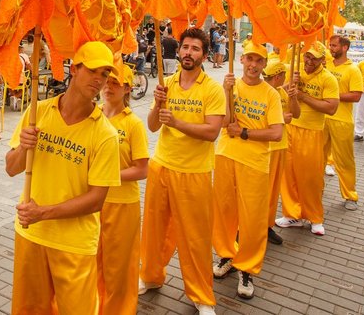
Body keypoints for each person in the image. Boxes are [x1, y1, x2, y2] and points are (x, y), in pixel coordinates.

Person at [5, 41, 121, 314]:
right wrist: (24, 146)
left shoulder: (105, 134)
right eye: (92, 70)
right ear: (73, 69)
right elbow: (11, 168)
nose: (99, 79)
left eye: (105, 74)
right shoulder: (38, 112)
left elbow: (96, 200)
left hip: (75, 244)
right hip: (30, 235)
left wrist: (42, 213)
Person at [139, 27, 225, 315]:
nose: (188, 52)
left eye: (195, 49)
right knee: (153, 231)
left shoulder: (212, 89)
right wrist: (158, 104)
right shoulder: (169, 83)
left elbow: (212, 132)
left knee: (195, 238)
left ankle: (201, 295)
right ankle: (150, 276)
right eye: (185, 47)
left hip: (194, 173)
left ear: (204, 54)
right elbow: (153, 125)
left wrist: (175, 122)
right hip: (161, 165)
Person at [213, 41, 283, 301]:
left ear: (264, 64)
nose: (253, 65)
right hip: (225, 156)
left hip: (254, 163)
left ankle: (247, 269)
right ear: (241, 60)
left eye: (258, 60)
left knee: (252, 219)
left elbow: (276, 133)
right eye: (249, 59)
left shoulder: (270, 95)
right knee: (224, 211)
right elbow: (223, 122)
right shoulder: (231, 85)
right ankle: (227, 255)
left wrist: (244, 133)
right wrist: (225, 91)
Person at [97, 62, 149, 315]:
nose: (109, 86)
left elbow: (142, 169)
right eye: (106, 80)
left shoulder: (133, 124)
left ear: (128, 87)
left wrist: (108, 176)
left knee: (118, 266)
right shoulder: (91, 117)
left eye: (115, 82)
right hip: (92, 204)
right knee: (93, 261)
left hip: (122, 205)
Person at [276, 42, 339, 236]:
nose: (309, 61)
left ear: (322, 60)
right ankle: (292, 214)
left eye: (314, 58)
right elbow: (276, 91)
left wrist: (303, 96)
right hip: (290, 129)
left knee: (310, 178)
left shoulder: (328, 79)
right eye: (307, 57)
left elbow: (331, 107)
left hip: (312, 132)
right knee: (289, 176)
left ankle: (315, 217)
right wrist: (291, 83)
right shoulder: (294, 70)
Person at [325, 35, 364, 210]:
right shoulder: (325, 65)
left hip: (341, 120)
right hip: (322, 118)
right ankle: (316, 190)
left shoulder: (353, 70)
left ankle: (350, 195)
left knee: (344, 161)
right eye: (330, 45)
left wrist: (332, 95)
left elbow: (356, 95)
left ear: (345, 48)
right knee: (317, 159)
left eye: (334, 46)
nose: (331, 48)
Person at [262, 56, 297, 246]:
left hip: (281, 147)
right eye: (284, 75)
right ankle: (252, 228)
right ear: (278, 76)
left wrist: (293, 97)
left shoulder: (282, 93)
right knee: (262, 192)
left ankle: (267, 225)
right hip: (267, 149)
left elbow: (295, 114)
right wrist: (281, 117)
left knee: (274, 191)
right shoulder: (263, 93)